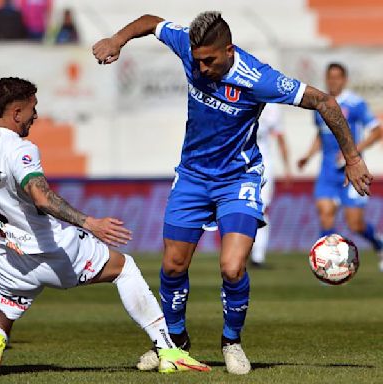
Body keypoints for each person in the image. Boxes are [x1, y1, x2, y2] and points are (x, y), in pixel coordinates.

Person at [92, 12, 372, 375]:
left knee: (232, 265)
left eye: (210, 60)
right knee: (173, 265)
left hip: (238, 180)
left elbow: (325, 103)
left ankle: (231, 342)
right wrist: (117, 40)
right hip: (192, 176)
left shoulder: (260, 79)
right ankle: (174, 344)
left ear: (228, 50)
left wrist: (352, 157)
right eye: (197, 61)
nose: (202, 68)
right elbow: (150, 21)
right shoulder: (188, 46)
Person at [0, 77, 210, 379]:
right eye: (31, 109)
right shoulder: (21, 150)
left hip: (6, 258)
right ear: (15, 112)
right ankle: (168, 350)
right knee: (124, 268)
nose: (35, 116)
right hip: (49, 249)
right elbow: (41, 197)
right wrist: (89, 222)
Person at [297, 63, 383, 271]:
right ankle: (328, 265)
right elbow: (321, 134)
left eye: (337, 77)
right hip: (327, 172)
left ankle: (379, 244)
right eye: (330, 77)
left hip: (351, 173)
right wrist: (307, 156)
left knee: (355, 225)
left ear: (344, 79)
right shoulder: (320, 103)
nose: (333, 81)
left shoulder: (356, 104)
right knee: (325, 213)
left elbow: (377, 131)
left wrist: (352, 152)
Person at [251, 103, 291, 267]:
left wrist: (287, 167)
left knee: (262, 209)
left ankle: (257, 256)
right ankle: (243, 250)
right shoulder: (237, 95)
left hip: (263, 165)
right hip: (238, 164)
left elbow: (280, 137)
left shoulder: (272, 106)